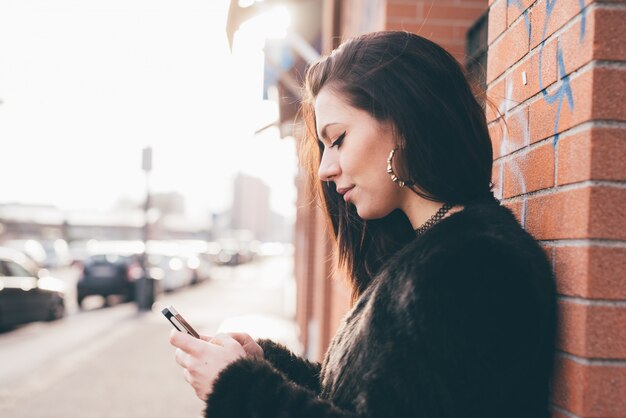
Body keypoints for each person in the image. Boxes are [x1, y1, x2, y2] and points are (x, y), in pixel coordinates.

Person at [169, 31, 557, 418]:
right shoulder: (433, 253)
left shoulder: (475, 266)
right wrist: (264, 364)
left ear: (404, 124)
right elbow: (367, 400)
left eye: (336, 139)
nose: (324, 169)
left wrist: (240, 390)